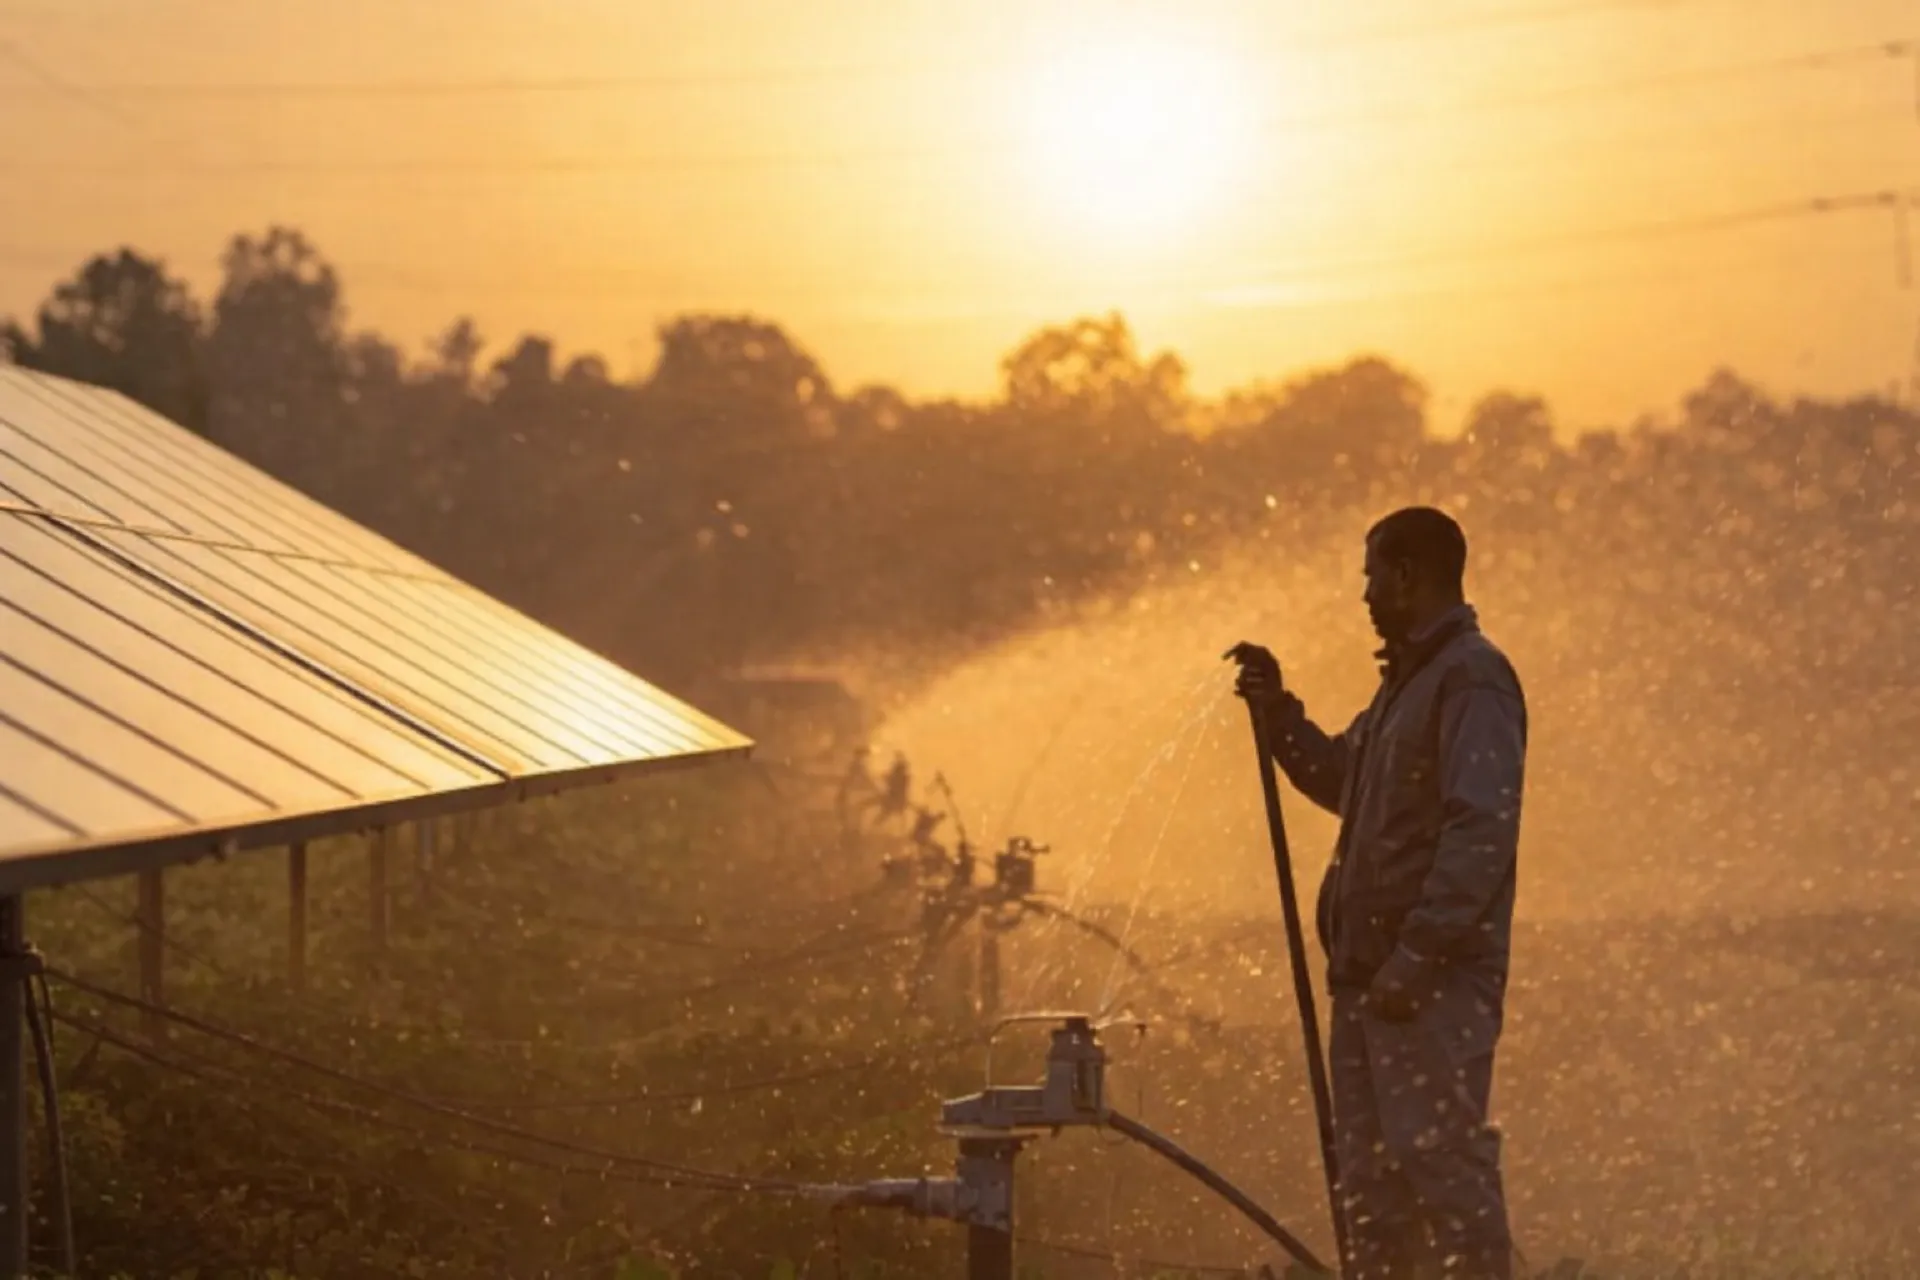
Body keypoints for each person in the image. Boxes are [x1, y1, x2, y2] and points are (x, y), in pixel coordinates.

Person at [1228, 506, 1527, 1280]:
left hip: (1429, 986)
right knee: (1372, 1190)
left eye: (1370, 576)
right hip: (1372, 984)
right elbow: (1339, 776)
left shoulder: (1471, 678)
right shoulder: (1406, 688)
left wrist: (1415, 959)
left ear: (1406, 574)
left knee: (1441, 1168)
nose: (1363, 594)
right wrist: (1277, 711)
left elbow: (1481, 832)